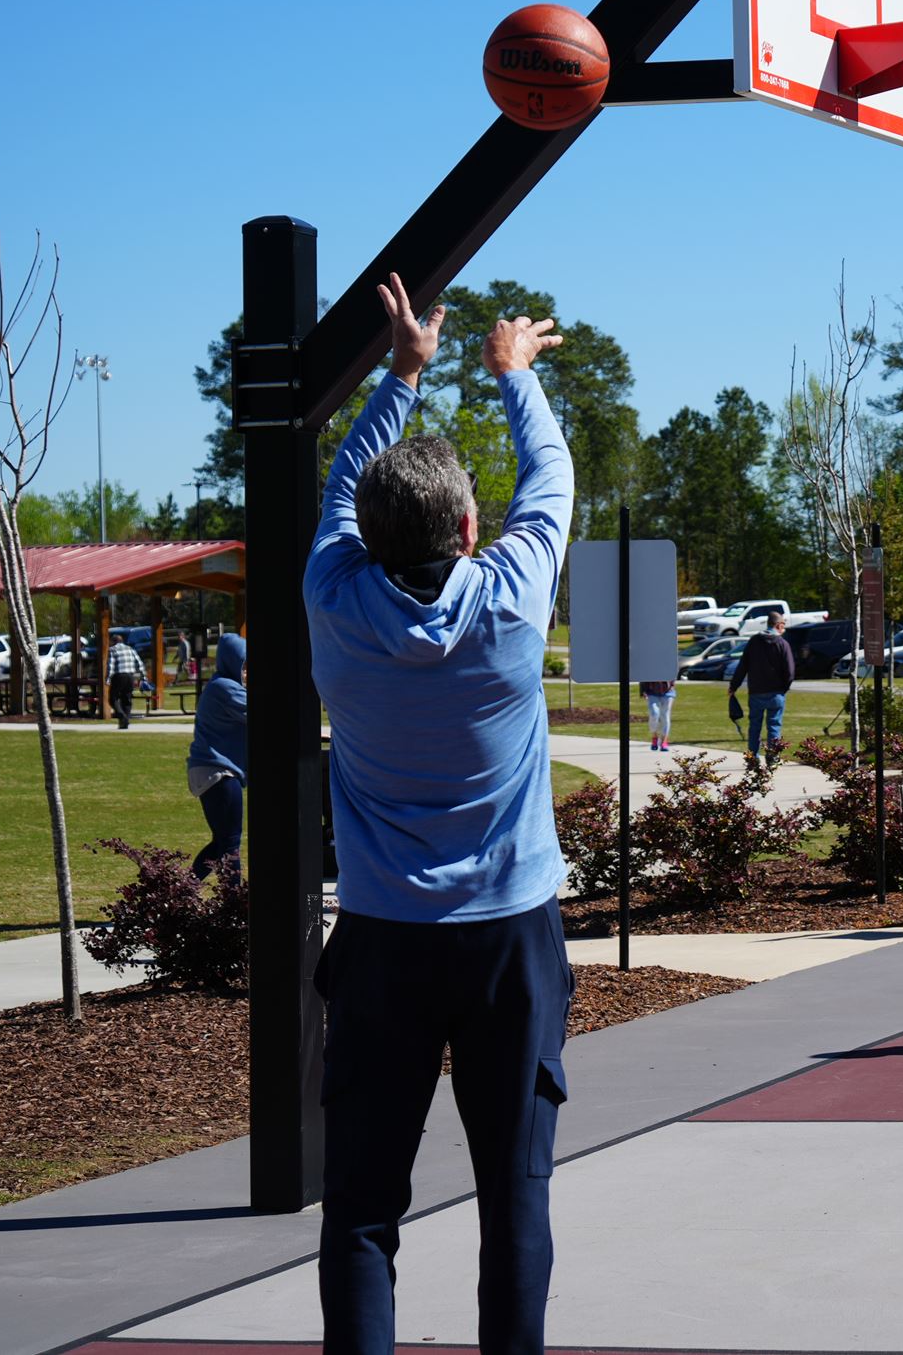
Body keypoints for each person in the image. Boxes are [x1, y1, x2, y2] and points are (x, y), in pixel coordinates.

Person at [306, 273, 572, 1355]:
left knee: (363, 1206)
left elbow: (335, 495)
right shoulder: (509, 595)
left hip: (380, 943)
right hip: (510, 939)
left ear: (367, 537)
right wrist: (512, 378)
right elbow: (548, 474)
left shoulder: (333, 592)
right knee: (514, 1191)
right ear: (471, 526)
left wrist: (401, 372)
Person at [184, 633, 248, 878]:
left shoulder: (221, 684)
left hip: (209, 770)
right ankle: (234, 904)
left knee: (221, 843)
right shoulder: (225, 687)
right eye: (244, 665)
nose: (246, 672)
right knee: (230, 844)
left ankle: (184, 893)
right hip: (218, 772)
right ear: (232, 662)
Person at [728, 610, 794, 774]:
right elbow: (790, 671)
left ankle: (753, 757)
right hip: (776, 693)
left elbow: (743, 665)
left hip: (756, 692)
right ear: (778, 625)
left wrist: (734, 686)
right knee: (774, 726)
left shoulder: (754, 641)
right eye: (783, 626)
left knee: (755, 726)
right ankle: (772, 758)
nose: (784, 629)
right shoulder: (782, 644)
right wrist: (784, 688)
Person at [106, 631, 150, 729]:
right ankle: (125, 722)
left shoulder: (112, 650)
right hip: (130, 676)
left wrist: (108, 678)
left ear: (114, 641)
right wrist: (144, 677)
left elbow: (111, 665)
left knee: (113, 698)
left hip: (119, 675)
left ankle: (122, 716)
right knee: (127, 699)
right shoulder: (130, 649)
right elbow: (139, 663)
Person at [641, 673, 677, 753]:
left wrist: (672, 683)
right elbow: (643, 675)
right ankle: (654, 736)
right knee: (654, 713)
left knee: (665, 715)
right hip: (652, 692)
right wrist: (643, 691)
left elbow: (673, 671)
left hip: (668, 692)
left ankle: (664, 741)